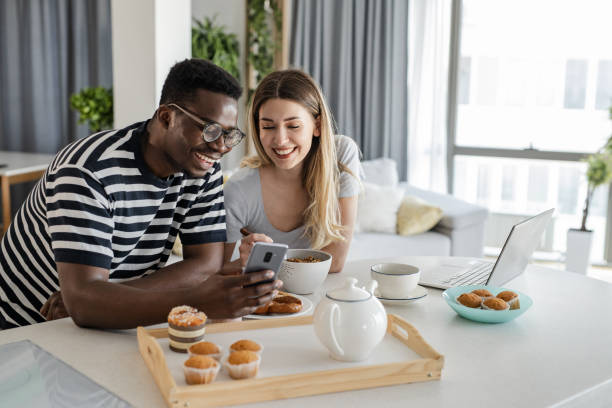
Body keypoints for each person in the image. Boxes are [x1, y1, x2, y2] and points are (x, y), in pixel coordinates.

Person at [0, 59, 280, 329]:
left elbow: (206, 264)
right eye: (210, 129)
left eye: (229, 135)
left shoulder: (201, 167)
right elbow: (84, 306)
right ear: (167, 117)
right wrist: (196, 300)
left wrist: (100, 297)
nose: (220, 146)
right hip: (22, 328)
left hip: (104, 320)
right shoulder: (89, 171)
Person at [223, 69, 362, 273]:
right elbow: (216, 272)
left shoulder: (340, 155)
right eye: (268, 127)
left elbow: (336, 261)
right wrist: (244, 263)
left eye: (293, 126)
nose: (280, 140)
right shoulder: (239, 189)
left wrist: (269, 262)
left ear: (317, 125)